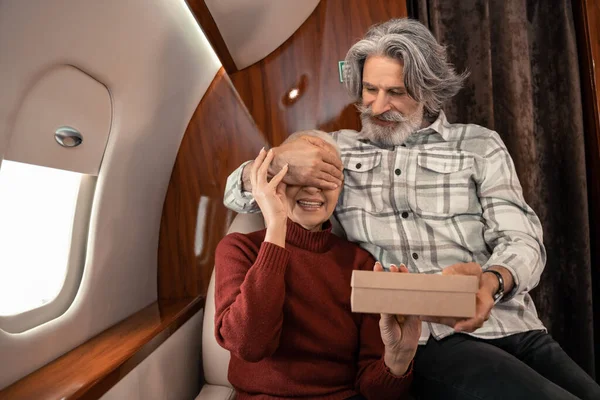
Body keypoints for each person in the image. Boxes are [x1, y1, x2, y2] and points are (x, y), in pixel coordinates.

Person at [223, 18, 600, 400]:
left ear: (428, 91)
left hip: (515, 323)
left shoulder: (480, 145)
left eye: (396, 93)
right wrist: (279, 160)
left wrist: (492, 281)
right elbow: (236, 195)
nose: (378, 106)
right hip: (431, 339)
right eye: (370, 90)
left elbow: (523, 240)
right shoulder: (337, 151)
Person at [214, 132, 421, 400]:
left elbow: (374, 391)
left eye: (328, 176)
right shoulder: (238, 249)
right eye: (299, 175)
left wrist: (398, 358)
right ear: (274, 181)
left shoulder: (362, 264)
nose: (313, 188)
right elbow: (251, 345)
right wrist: (276, 225)